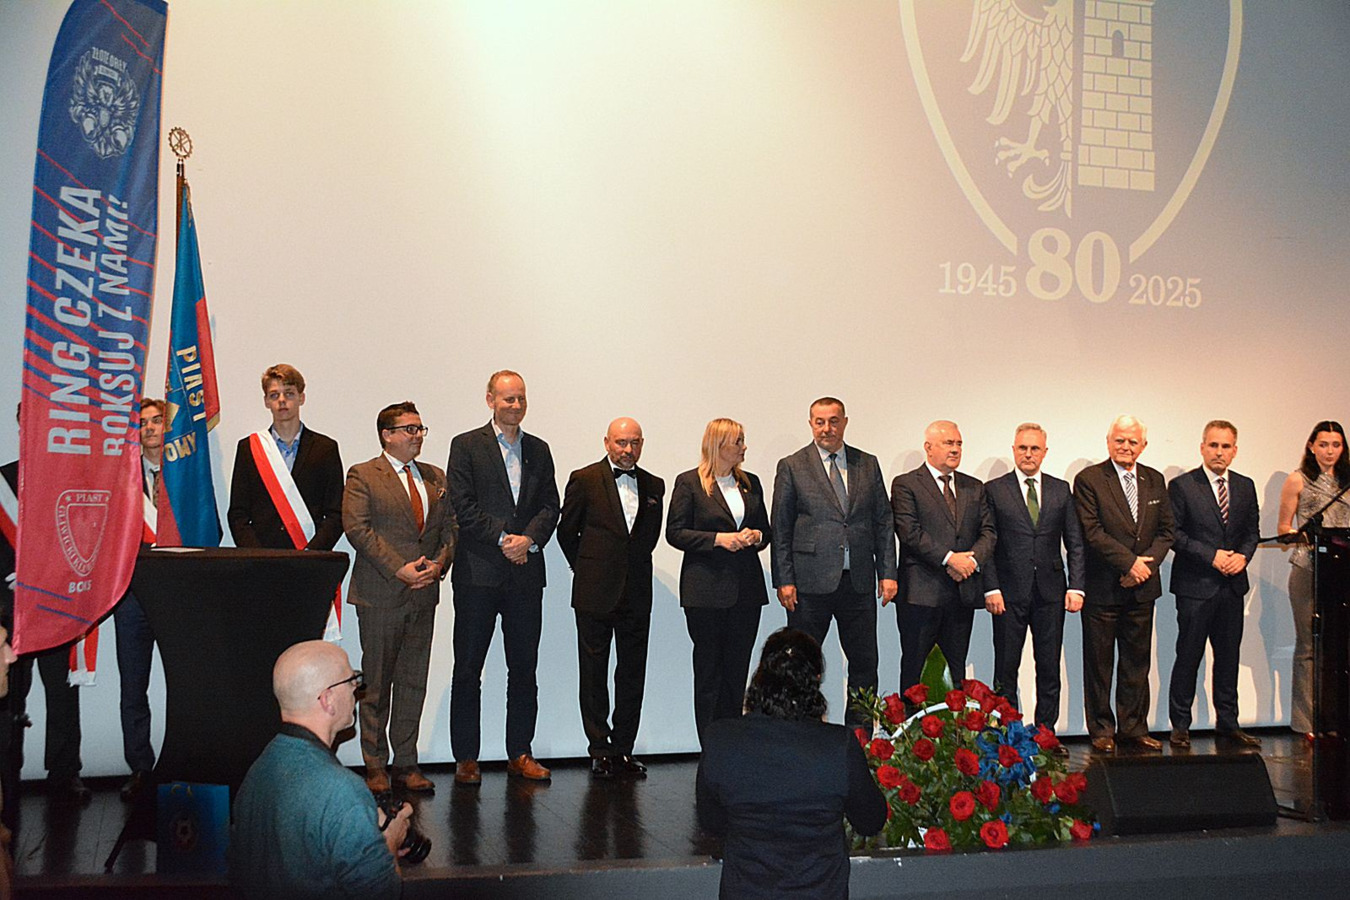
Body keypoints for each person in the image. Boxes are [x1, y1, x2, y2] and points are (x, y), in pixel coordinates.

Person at [696, 628, 886, 900]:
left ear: (759, 678)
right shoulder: (838, 745)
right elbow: (871, 820)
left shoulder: (720, 738)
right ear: (816, 680)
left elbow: (712, 822)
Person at [229, 640, 411, 900]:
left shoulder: (258, 772)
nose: (356, 689)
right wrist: (390, 844)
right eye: (351, 680)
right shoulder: (342, 791)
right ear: (327, 699)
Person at [446, 371, 560, 784]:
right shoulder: (465, 445)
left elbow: (550, 506)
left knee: (524, 669)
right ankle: (466, 757)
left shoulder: (539, 449)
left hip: (525, 575)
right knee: (468, 668)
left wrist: (528, 540)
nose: (515, 405)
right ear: (490, 399)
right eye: (508, 398)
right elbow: (462, 505)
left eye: (521, 398)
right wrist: (502, 538)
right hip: (478, 575)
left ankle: (520, 752)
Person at [343, 402, 457, 794]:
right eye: (410, 429)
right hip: (381, 594)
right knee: (376, 685)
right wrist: (399, 569)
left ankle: (406, 763)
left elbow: (450, 528)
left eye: (420, 429)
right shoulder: (363, 475)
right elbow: (358, 529)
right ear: (387, 435)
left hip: (424, 595)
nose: (417, 436)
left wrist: (438, 564)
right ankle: (375, 765)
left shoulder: (435, 476)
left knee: (412, 683)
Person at [770, 398, 897, 729]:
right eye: (820, 422)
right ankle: (801, 733)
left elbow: (883, 521)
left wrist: (888, 572)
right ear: (811, 424)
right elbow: (781, 527)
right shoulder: (792, 465)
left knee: (865, 663)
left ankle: (859, 738)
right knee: (801, 664)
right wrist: (784, 579)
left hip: (858, 582)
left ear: (845, 422)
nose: (827, 428)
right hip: (808, 584)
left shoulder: (867, 463)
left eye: (834, 421)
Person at [557, 418, 665, 778]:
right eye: (621, 442)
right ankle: (600, 750)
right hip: (594, 593)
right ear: (607, 442)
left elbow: (648, 539)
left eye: (635, 442)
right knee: (593, 674)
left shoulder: (654, 484)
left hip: (637, 594)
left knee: (632, 673)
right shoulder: (584, 479)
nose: (628, 450)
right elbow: (566, 532)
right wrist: (588, 569)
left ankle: (623, 749)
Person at [0, 407, 87, 803]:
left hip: (55, 604)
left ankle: (64, 773)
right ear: (22, 427)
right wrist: (11, 577)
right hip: (11, 606)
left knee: (62, 691)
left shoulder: (67, 479)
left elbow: (79, 536)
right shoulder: (3, 479)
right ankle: (7, 775)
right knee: (10, 695)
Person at [667, 418, 772, 743]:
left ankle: (733, 744)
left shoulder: (750, 483)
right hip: (705, 592)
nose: (743, 447)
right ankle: (710, 743)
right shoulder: (690, 482)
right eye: (737, 441)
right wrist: (717, 539)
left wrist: (756, 536)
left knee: (737, 670)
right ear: (718, 445)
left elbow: (766, 531)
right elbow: (675, 532)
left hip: (746, 592)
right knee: (709, 670)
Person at [1073, 415, 1174, 754]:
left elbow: (1167, 532)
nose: (1125, 447)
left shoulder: (1155, 479)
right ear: (1108, 442)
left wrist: (1144, 566)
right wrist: (1129, 563)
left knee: (1136, 664)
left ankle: (1133, 728)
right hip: (1104, 587)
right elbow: (1092, 532)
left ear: (1143, 445)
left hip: (1142, 588)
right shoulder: (1089, 480)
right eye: (1119, 440)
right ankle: (1101, 729)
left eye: (1132, 441)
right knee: (1099, 665)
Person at [981, 423, 1083, 748]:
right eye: (1023, 448)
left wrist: (1077, 586)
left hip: (1051, 592)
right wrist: (991, 588)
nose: (1028, 454)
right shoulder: (994, 490)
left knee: (1049, 668)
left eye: (1034, 448)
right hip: (1007, 594)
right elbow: (987, 542)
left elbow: (1075, 542)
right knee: (1005, 669)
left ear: (1044, 452)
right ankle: (1009, 739)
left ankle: (1045, 735)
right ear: (1014, 450)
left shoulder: (1060, 489)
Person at [1167, 420, 1261, 750]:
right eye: (1213, 445)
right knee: (1188, 656)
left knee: (1228, 658)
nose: (1219, 452)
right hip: (1195, 586)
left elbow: (1252, 532)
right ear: (1202, 447)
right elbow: (1174, 535)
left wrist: (1243, 557)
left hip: (1232, 587)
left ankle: (1229, 724)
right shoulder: (1182, 486)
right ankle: (1180, 725)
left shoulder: (1245, 486)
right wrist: (1212, 556)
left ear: (1234, 451)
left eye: (1225, 446)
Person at [890, 420, 996, 692]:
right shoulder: (906, 484)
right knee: (915, 672)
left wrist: (970, 561)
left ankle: (953, 722)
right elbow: (909, 532)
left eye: (959, 443)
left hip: (962, 594)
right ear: (928, 447)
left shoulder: (974, 487)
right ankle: (911, 721)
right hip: (921, 594)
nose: (955, 449)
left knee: (955, 673)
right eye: (949, 443)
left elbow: (988, 532)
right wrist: (951, 559)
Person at [1277, 420, 1350, 737]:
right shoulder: (1298, 479)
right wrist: (1302, 536)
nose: (1329, 451)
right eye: (1323, 444)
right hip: (1308, 567)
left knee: (1340, 647)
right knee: (1308, 646)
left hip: (1343, 569)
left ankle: (1337, 719)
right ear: (1311, 446)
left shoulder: (1347, 480)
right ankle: (1306, 722)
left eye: (1336, 445)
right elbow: (1284, 528)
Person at [111, 397, 166, 802]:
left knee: (188, 686)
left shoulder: (187, 476)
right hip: (131, 597)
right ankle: (140, 769)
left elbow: (208, 527)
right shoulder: (123, 480)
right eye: (142, 422)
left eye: (156, 420)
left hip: (177, 594)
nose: (149, 427)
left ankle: (187, 762)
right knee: (133, 689)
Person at [227, 364, 345, 552]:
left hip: (310, 558)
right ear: (266, 401)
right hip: (261, 558)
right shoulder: (249, 448)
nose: (282, 400)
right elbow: (238, 514)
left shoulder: (325, 449)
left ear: (301, 398)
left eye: (289, 394)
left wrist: (313, 554)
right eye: (274, 395)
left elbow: (335, 513)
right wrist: (256, 555)